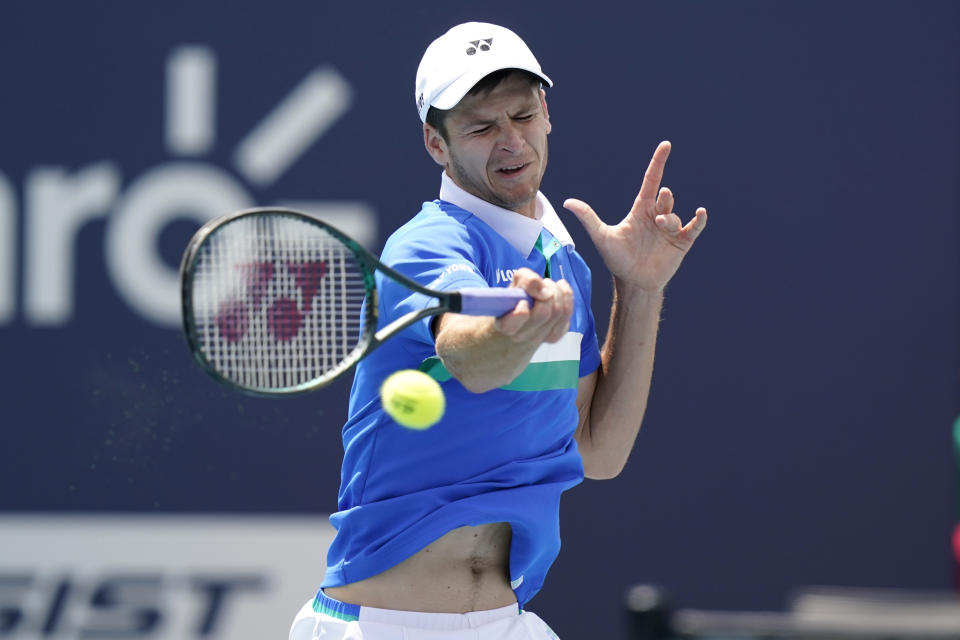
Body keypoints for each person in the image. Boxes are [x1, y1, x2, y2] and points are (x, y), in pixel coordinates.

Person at [289, 21, 707, 640]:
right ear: (437, 144)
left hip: (505, 624)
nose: (511, 140)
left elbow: (599, 451)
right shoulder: (425, 246)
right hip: (381, 627)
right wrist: (515, 330)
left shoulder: (560, 261)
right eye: (482, 127)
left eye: (522, 114)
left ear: (546, 113)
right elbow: (470, 359)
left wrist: (640, 289)